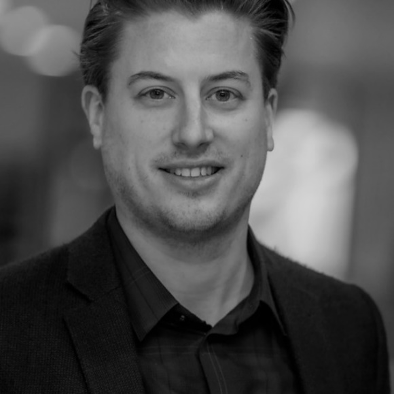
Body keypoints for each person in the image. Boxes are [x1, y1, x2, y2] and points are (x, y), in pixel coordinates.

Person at [0, 0, 391, 393]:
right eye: (156, 93)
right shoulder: (9, 326)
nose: (192, 132)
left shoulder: (349, 328)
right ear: (97, 115)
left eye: (223, 94)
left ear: (268, 117)